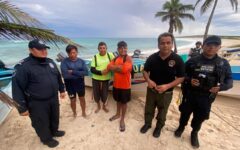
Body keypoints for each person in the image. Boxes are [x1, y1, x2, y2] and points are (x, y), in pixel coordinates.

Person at [174, 35, 233, 148]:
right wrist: (190, 80)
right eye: (208, 45)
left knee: (200, 116)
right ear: (203, 46)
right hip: (190, 94)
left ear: (219, 47)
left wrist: (222, 87)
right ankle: (181, 127)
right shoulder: (193, 60)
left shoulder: (223, 63)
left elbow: (229, 80)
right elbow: (181, 75)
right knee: (184, 113)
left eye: (215, 45)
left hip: (207, 97)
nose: (211, 47)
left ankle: (194, 133)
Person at [12, 39, 66, 148]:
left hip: (53, 98)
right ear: (31, 50)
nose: (44, 51)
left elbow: (58, 77)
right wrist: (21, 108)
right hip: (36, 102)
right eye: (40, 49)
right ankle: (46, 139)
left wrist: (62, 89)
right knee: (41, 121)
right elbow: (17, 87)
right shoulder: (23, 66)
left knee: (54, 116)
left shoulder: (50, 62)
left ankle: (54, 131)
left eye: (45, 48)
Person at [140, 32, 185, 138]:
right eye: (162, 43)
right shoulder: (152, 58)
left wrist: (167, 86)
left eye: (168, 43)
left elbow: (181, 77)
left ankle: (159, 127)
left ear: (172, 44)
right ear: (158, 45)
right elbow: (145, 71)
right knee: (149, 108)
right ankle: (147, 124)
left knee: (162, 111)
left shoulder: (177, 59)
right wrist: (149, 81)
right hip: (151, 90)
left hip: (167, 92)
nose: (165, 45)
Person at [107, 41, 132, 132]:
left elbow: (124, 69)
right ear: (118, 49)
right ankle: (117, 114)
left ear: (127, 48)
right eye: (121, 48)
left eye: (125, 48)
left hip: (125, 85)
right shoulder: (116, 58)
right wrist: (118, 68)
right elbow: (109, 66)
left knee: (124, 102)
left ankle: (122, 119)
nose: (123, 49)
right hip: (116, 84)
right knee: (118, 100)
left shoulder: (128, 58)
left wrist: (116, 68)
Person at [60, 44, 88, 118]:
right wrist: (79, 73)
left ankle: (84, 112)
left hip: (80, 84)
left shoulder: (81, 61)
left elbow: (86, 72)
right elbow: (65, 75)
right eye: (70, 53)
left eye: (74, 52)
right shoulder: (64, 62)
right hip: (70, 85)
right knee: (72, 100)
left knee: (82, 98)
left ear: (77, 52)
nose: (72, 54)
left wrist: (72, 72)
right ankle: (74, 113)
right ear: (67, 53)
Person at [90, 42, 114, 113]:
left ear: (106, 48)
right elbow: (92, 69)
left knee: (105, 93)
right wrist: (101, 72)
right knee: (96, 93)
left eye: (104, 48)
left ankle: (104, 106)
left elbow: (115, 63)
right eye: (100, 48)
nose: (102, 50)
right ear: (98, 49)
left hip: (106, 79)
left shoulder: (110, 55)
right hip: (96, 78)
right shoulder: (95, 57)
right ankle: (98, 106)